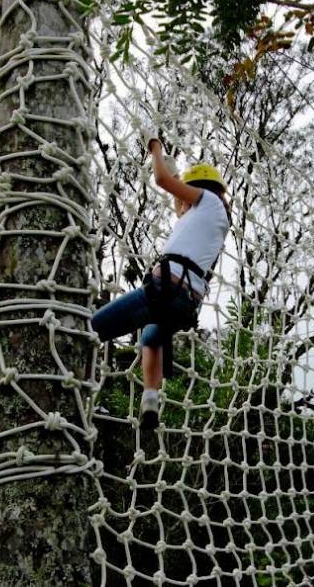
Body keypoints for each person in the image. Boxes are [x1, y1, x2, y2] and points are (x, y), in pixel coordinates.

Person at [91, 136, 230, 430]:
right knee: (150, 338)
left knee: (91, 329)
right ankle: (151, 400)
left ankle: (76, 382)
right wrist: (174, 171)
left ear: (199, 189)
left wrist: (155, 147)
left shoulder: (208, 202)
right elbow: (180, 205)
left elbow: (162, 179)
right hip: (184, 303)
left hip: (165, 289)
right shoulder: (213, 217)